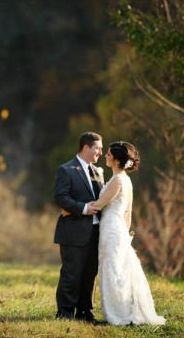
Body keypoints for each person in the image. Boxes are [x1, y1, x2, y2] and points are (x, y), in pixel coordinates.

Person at [88, 141, 166, 326]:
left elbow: (99, 204)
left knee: (113, 270)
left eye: (108, 154)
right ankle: (122, 312)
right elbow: (128, 213)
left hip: (112, 229)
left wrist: (75, 208)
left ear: (116, 160)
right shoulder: (126, 180)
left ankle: (119, 315)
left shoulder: (117, 180)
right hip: (118, 229)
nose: (105, 156)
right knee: (118, 269)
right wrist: (126, 235)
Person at [53, 132, 104, 322]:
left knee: (90, 273)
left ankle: (85, 312)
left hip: (96, 231)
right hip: (73, 232)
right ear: (86, 148)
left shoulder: (98, 171)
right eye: (97, 148)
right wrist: (83, 208)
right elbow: (60, 197)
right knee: (71, 273)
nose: (100, 152)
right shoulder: (66, 170)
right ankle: (64, 313)